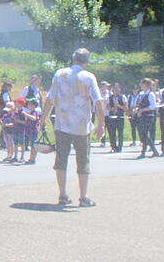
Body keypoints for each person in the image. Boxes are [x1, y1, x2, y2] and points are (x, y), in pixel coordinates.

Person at [40, 48, 104, 207]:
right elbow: (98, 101)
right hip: (82, 126)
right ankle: (83, 197)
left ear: (73, 59)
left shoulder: (60, 74)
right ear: (86, 62)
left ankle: (62, 195)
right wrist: (101, 124)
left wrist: (43, 117)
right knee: (83, 160)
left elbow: (50, 98)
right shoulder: (89, 77)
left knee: (61, 159)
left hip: (62, 124)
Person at [134, 78, 159, 159]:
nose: (140, 85)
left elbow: (152, 106)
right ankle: (154, 151)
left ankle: (143, 152)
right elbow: (138, 104)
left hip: (148, 116)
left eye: (142, 83)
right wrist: (137, 109)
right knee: (142, 134)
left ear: (146, 85)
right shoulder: (141, 94)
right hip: (142, 116)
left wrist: (142, 110)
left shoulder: (151, 94)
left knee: (144, 133)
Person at [106, 83, 128, 153]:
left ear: (119, 89)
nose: (115, 90)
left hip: (120, 117)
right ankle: (113, 146)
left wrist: (119, 106)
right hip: (112, 117)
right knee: (112, 133)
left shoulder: (122, 96)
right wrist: (112, 109)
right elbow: (108, 106)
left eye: (117, 88)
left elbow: (126, 107)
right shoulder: (110, 97)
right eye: (114, 88)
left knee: (120, 133)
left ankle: (119, 147)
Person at [22, 97, 40, 164]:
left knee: (33, 146)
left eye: (29, 104)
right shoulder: (31, 112)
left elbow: (34, 118)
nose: (28, 105)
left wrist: (25, 114)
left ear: (33, 105)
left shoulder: (34, 112)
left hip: (33, 131)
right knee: (32, 145)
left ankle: (33, 159)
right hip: (30, 131)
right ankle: (31, 159)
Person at [12, 97, 28, 163]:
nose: (15, 104)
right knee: (15, 143)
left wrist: (17, 120)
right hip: (15, 129)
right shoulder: (16, 112)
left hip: (21, 129)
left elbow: (25, 122)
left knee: (22, 143)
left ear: (21, 104)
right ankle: (15, 156)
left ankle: (22, 157)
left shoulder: (23, 112)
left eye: (17, 103)